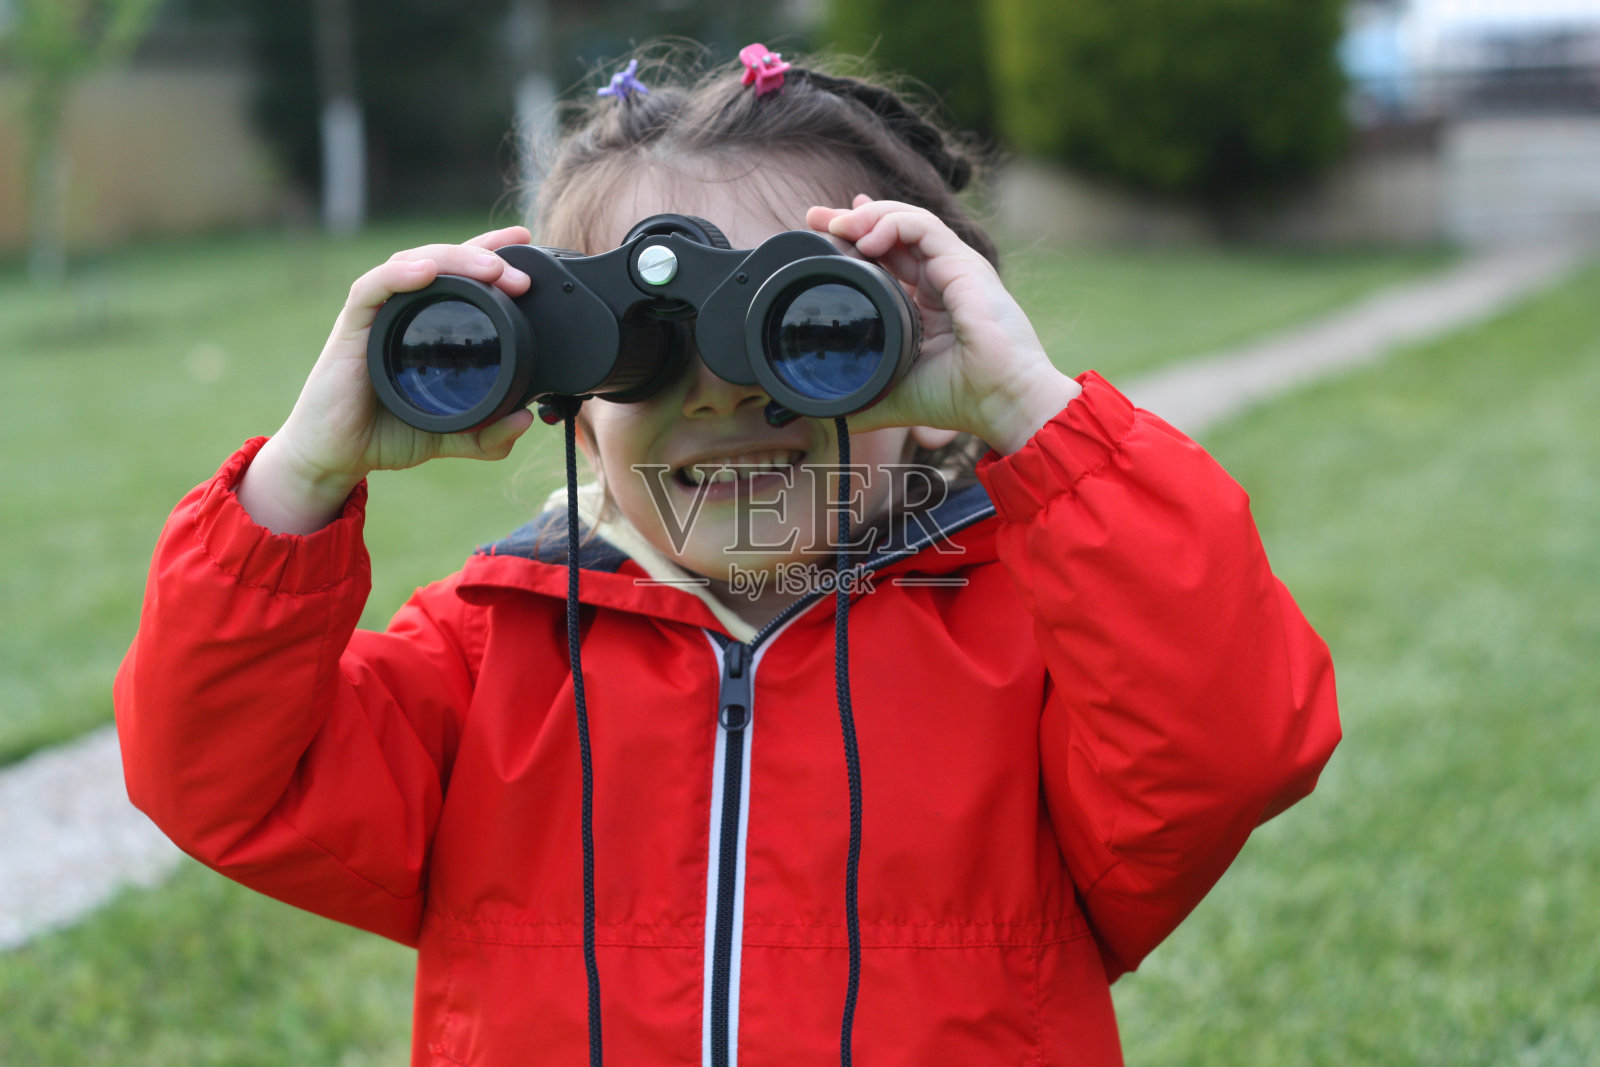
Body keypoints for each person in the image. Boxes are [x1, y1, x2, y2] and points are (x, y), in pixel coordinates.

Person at [115, 41, 1340, 1066]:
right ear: (568, 397)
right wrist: (302, 472)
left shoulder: (1035, 651)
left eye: (797, 330)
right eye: (639, 352)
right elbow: (221, 774)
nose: (717, 395)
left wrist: (1032, 408)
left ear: (924, 369)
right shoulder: (485, 658)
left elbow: (1228, 739)